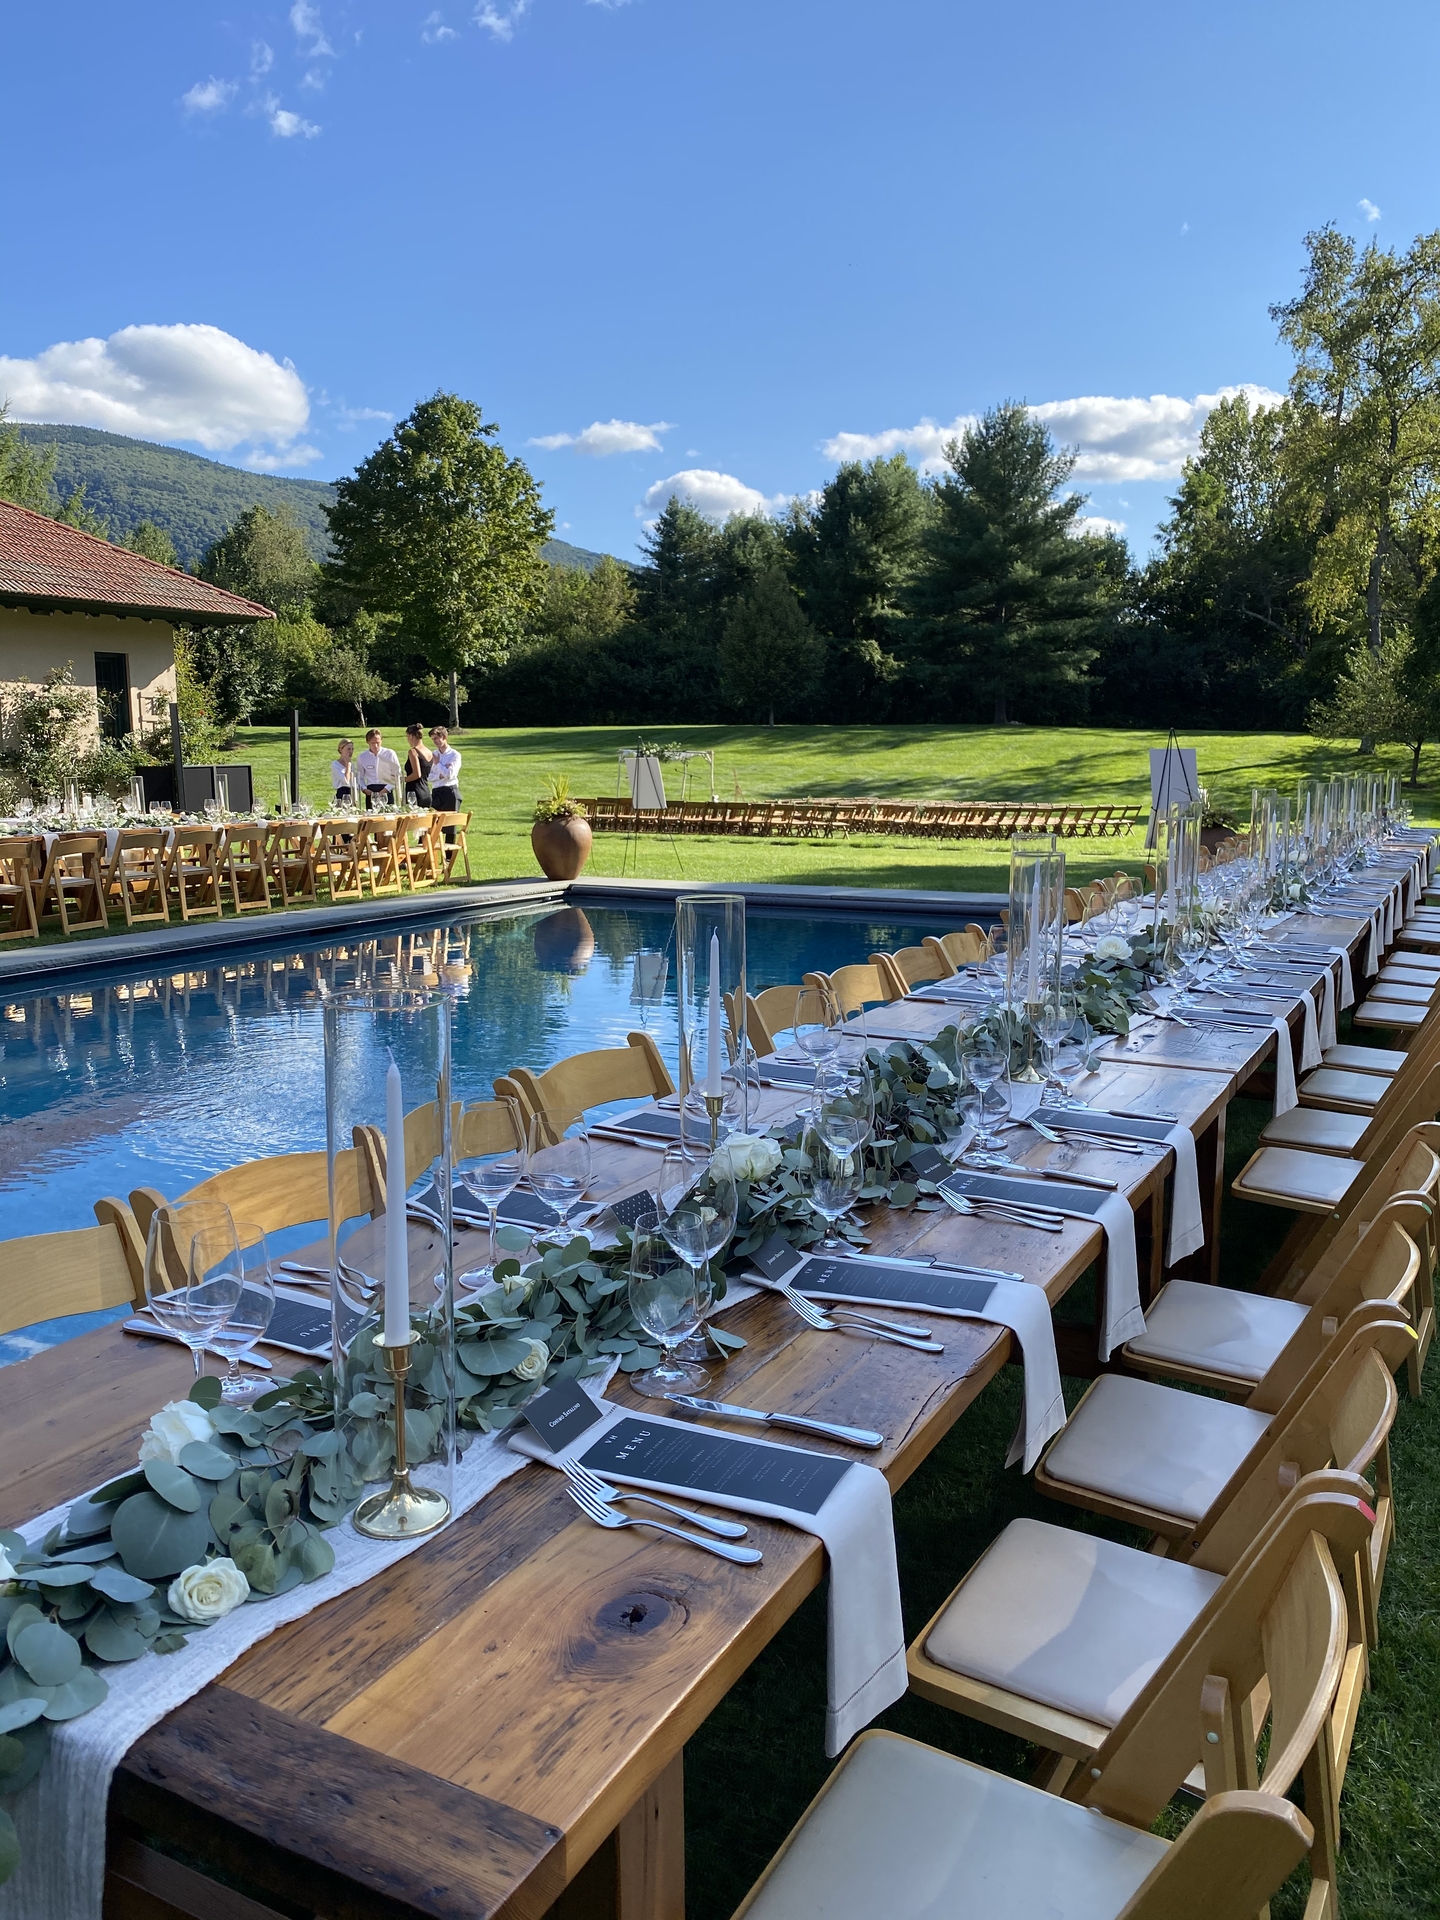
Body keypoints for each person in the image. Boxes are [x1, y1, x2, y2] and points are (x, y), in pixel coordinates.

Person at [429, 725, 462, 844]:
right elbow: (429, 776)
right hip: (436, 792)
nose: (435, 742)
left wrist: (438, 765)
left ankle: (448, 858)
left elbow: (450, 774)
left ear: (444, 737)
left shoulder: (454, 755)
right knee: (433, 825)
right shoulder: (433, 754)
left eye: (437, 738)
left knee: (450, 827)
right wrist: (440, 775)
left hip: (450, 791)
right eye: (433, 739)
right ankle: (432, 855)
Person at [354, 728, 401, 809]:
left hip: (387, 789)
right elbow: (359, 777)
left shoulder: (390, 754)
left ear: (381, 741)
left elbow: (397, 774)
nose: (375, 745)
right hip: (371, 791)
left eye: (378, 742)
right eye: (372, 743)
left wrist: (386, 789)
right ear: (367, 742)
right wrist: (364, 789)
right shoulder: (362, 757)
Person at [403, 724, 433, 808]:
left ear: (411, 736)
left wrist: (402, 779)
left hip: (414, 793)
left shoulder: (413, 751)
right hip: (426, 791)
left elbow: (417, 774)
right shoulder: (429, 752)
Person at [331, 738, 359, 807]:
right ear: (341, 749)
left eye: (352, 749)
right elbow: (346, 780)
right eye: (348, 749)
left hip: (353, 793)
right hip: (342, 793)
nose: (351, 751)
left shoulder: (353, 764)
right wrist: (348, 765)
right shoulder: (335, 764)